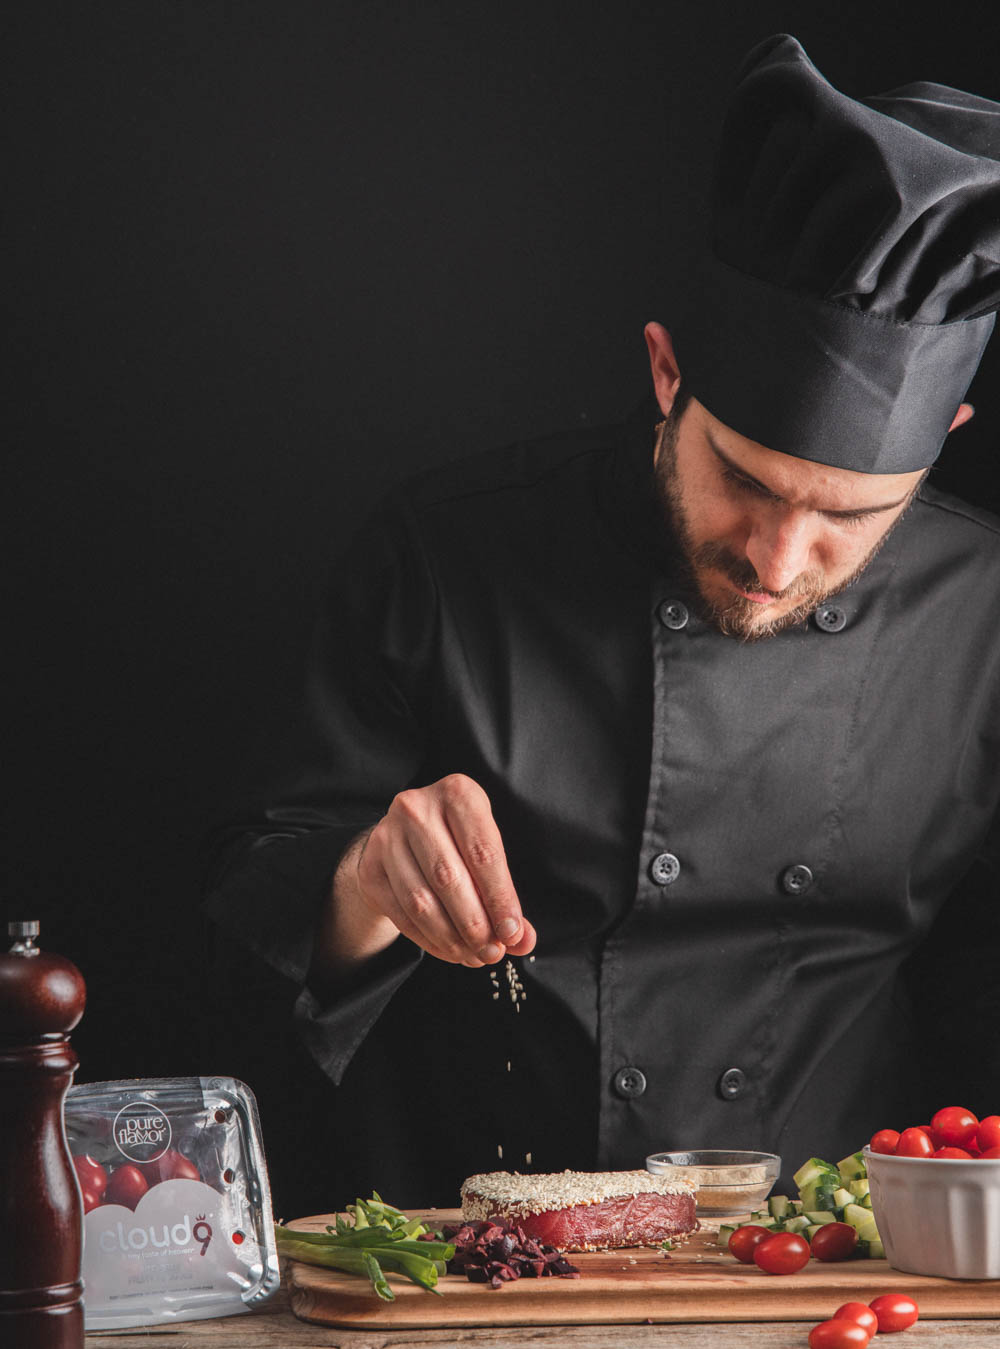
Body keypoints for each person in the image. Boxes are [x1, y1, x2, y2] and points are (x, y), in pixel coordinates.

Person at [204, 35, 1000, 1213]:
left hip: (830, 1254)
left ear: (943, 440)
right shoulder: (447, 550)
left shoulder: (981, 609)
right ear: (667, 376)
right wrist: (367, 879)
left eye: (846, 515)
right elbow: (253, 917)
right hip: (479, 1239)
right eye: (744, 478)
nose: (779, 561)